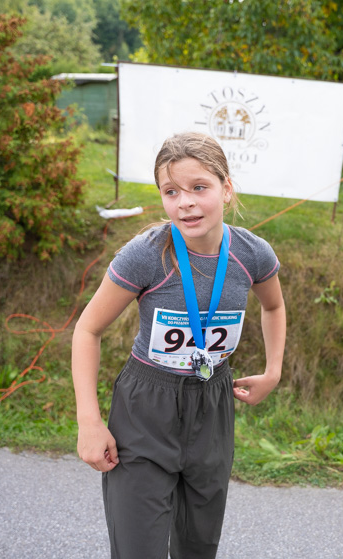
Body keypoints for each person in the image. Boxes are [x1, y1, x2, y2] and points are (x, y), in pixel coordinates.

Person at [72, 132, 286, 559]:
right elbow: (87, 330)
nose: (185, 202)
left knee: (198, 547)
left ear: (227, 188)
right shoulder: (147, 255)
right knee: (138, 549)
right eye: (171, 192)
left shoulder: (252, 254)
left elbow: (274, 307)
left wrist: (273, 371)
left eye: (198, 187)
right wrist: (89, 422)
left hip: (212, 405)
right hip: (145, 409)